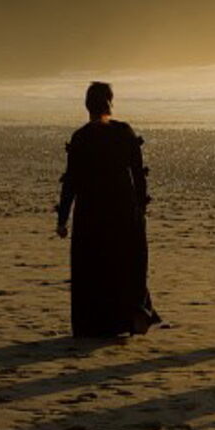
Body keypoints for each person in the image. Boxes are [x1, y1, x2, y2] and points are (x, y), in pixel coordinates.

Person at [55, 81, 161, 338]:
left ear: (86, 105)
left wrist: (62, 218)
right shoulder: (124, 132)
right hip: (123, 209)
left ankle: (94, 324)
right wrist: (140, 208)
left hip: (91, 211)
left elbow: (71, 181)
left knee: (92, 266)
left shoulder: (81, 137)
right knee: (124, 263)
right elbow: (138, 174)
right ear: (110, 103)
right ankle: (129, 316)